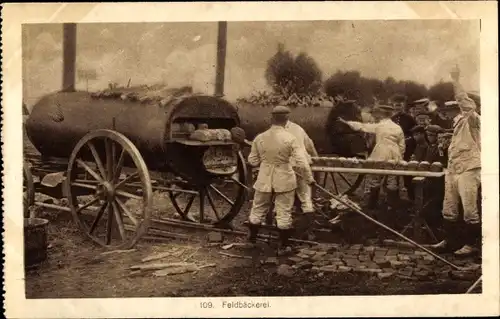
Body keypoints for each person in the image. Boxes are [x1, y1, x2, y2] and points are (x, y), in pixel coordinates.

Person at [247, 105, 315, 255]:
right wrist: (309, 179)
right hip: (285, 178)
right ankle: (284, 246)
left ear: (272, 119)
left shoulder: (260, 137)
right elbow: (302, 162)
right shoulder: (290, 138)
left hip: (264, 178)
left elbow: (252, 160)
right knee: (284, 211)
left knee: (258, 208)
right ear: (286, 120)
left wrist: (265, 162)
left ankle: (251, 240)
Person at [431, 66, 481, 257]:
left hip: (469, 168)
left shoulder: (473, 119)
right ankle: (450, 241)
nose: (455, 111)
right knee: (449, 208)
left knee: (469, 210)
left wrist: (456, 80)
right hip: (453, 169)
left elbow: (464, 102)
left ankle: (472, 245)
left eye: (457, 108)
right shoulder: (458, 122)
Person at [338, 104, 405, 209]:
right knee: (392, 178)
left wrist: (346, 122)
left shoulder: (379, 126)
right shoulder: (397, 127)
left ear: (382, 115)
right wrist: (399, 156)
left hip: (381, 152)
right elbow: (402, 145)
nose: (378, 116)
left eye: (380, 114)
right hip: (395, 153)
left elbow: (363, 127)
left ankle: (372, 205)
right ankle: (392, 206)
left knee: (376, 177)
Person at [284, 120, 319, 214]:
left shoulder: (274, 131)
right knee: (305, 195)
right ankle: (307, 215)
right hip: (301, 164)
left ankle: (283, 221)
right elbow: (310, 145)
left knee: (284, 195)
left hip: (287, 166)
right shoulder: (298, 128)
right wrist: (316, 159)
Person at [391, 94, 418, 200]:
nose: (398, 108)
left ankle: (412, 197)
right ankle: (394, 198)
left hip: (407, 149)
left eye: (400, 105)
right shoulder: (392, 118)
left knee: (407, 174)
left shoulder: (410, 119)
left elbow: (415, 134)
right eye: (396, 106)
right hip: (394, 149)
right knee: (393, 173)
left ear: (403, 106)